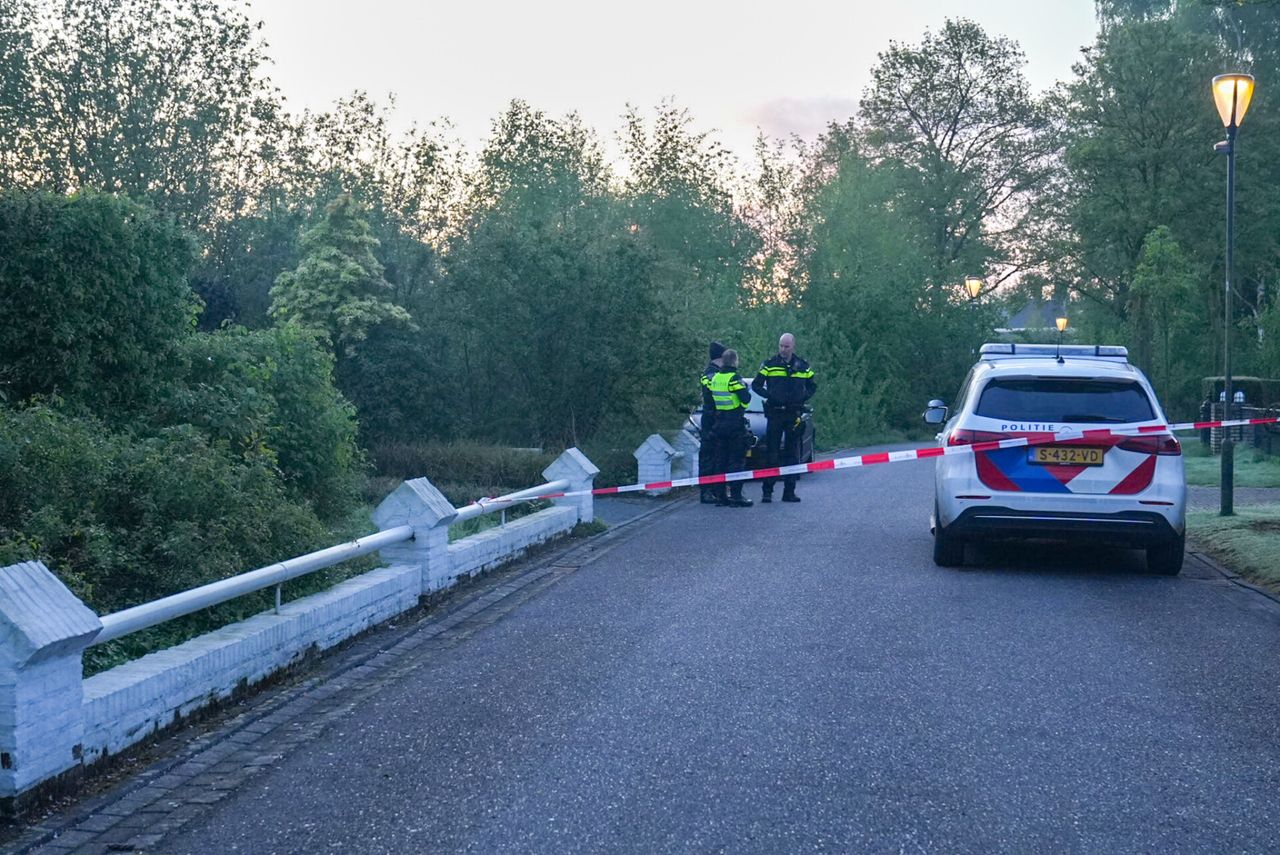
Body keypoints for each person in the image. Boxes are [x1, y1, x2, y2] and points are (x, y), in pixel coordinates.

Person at [751, 333, 816, 503]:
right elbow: (756, 385)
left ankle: (789, 491)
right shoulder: (770, 364)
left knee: (792, 453)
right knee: (771, 454)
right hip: (775, 414)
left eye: (786, 346)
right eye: (781, 346)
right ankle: (767, 492)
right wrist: (769, 396)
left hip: (793, 414)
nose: (783, 349)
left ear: (793, 347)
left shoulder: (802, 366)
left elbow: (812, 386)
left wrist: (802, 398)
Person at [707, 349, 754, 507]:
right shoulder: (734, 378)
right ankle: (736, 496)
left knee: (720, 460)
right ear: (735, 361)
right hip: (734, 422)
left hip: (719, 422)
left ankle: (720, 496)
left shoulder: (715, 378)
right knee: (736, 460)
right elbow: (746, 399)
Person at [699, 341, 726, 504]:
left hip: (716, 418)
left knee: (717, 456)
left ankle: (715, 490)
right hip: (711, 419)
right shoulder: (711, 374)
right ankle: (706, 491)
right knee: (708, 456)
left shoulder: (714, 372)